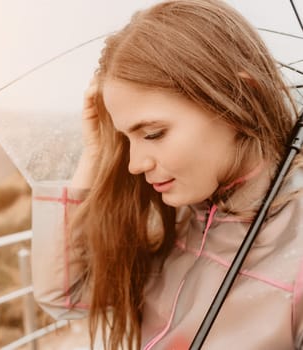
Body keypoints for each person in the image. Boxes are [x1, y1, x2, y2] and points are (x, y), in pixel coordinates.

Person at [31, 0, 303, 349]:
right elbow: (65, 293)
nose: (134, 164)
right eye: (125, 137)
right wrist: (95, 152)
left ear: (241, 100)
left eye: (154, 133)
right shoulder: (176, 221)